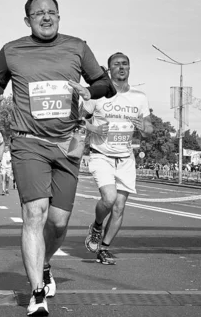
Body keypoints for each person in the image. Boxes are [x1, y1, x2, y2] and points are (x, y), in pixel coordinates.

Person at [0, 0, 116, 315]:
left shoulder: (76, 47)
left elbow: (105, 84)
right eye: (38, 13)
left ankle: (44, 263)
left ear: (58, 16)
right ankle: (38, 295)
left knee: (58, 223)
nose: (46, 16)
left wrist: (89, 89)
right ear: (27, 20)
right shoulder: (12, 50)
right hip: (28, 142)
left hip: (68, 142)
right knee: (35, 214)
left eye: (51, 12)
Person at [82, 52, 153, 265]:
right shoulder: (97, 95)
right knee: (109, 198)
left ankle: (104, 248)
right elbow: (77, 120)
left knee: (120, 206)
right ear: (108, 69)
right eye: (116, 64)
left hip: (125, 158)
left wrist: (145, 128)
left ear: (129, 68)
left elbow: (149, 127)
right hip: (100, 155)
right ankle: (96, 225)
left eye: (125, 64)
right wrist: (94, 127)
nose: (121, 68)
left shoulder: (139, 97)